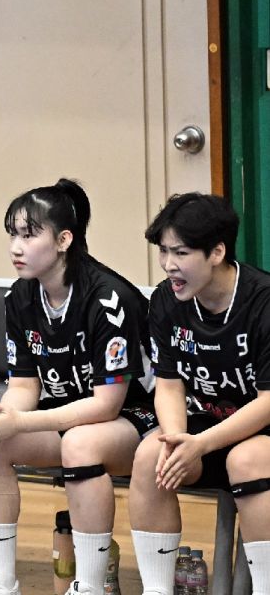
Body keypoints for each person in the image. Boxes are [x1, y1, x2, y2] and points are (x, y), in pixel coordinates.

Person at [0, 179, 157, 595]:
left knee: (80, 445)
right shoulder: (20, 298)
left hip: (134, 418)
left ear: (64, 240)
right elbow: (24, 385)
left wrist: (22, 423)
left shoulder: (108, 299)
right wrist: (3, 421)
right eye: (13, 234)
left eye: (29, 235)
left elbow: (105, 405)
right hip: (68, 415)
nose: (16, 247)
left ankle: (89, 586)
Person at [129, 193, 270, 595]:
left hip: (261, 429)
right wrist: (177, 439)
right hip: (207, 427)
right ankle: (157, 589)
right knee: (153, 455)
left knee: (246, 460)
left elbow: (268, 402)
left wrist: (200, 444)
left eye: (181, 252)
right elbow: (169, 386)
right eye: (163, 251)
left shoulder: (263, 302)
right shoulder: (165, 301)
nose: (168, 264)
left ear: (217, 252)